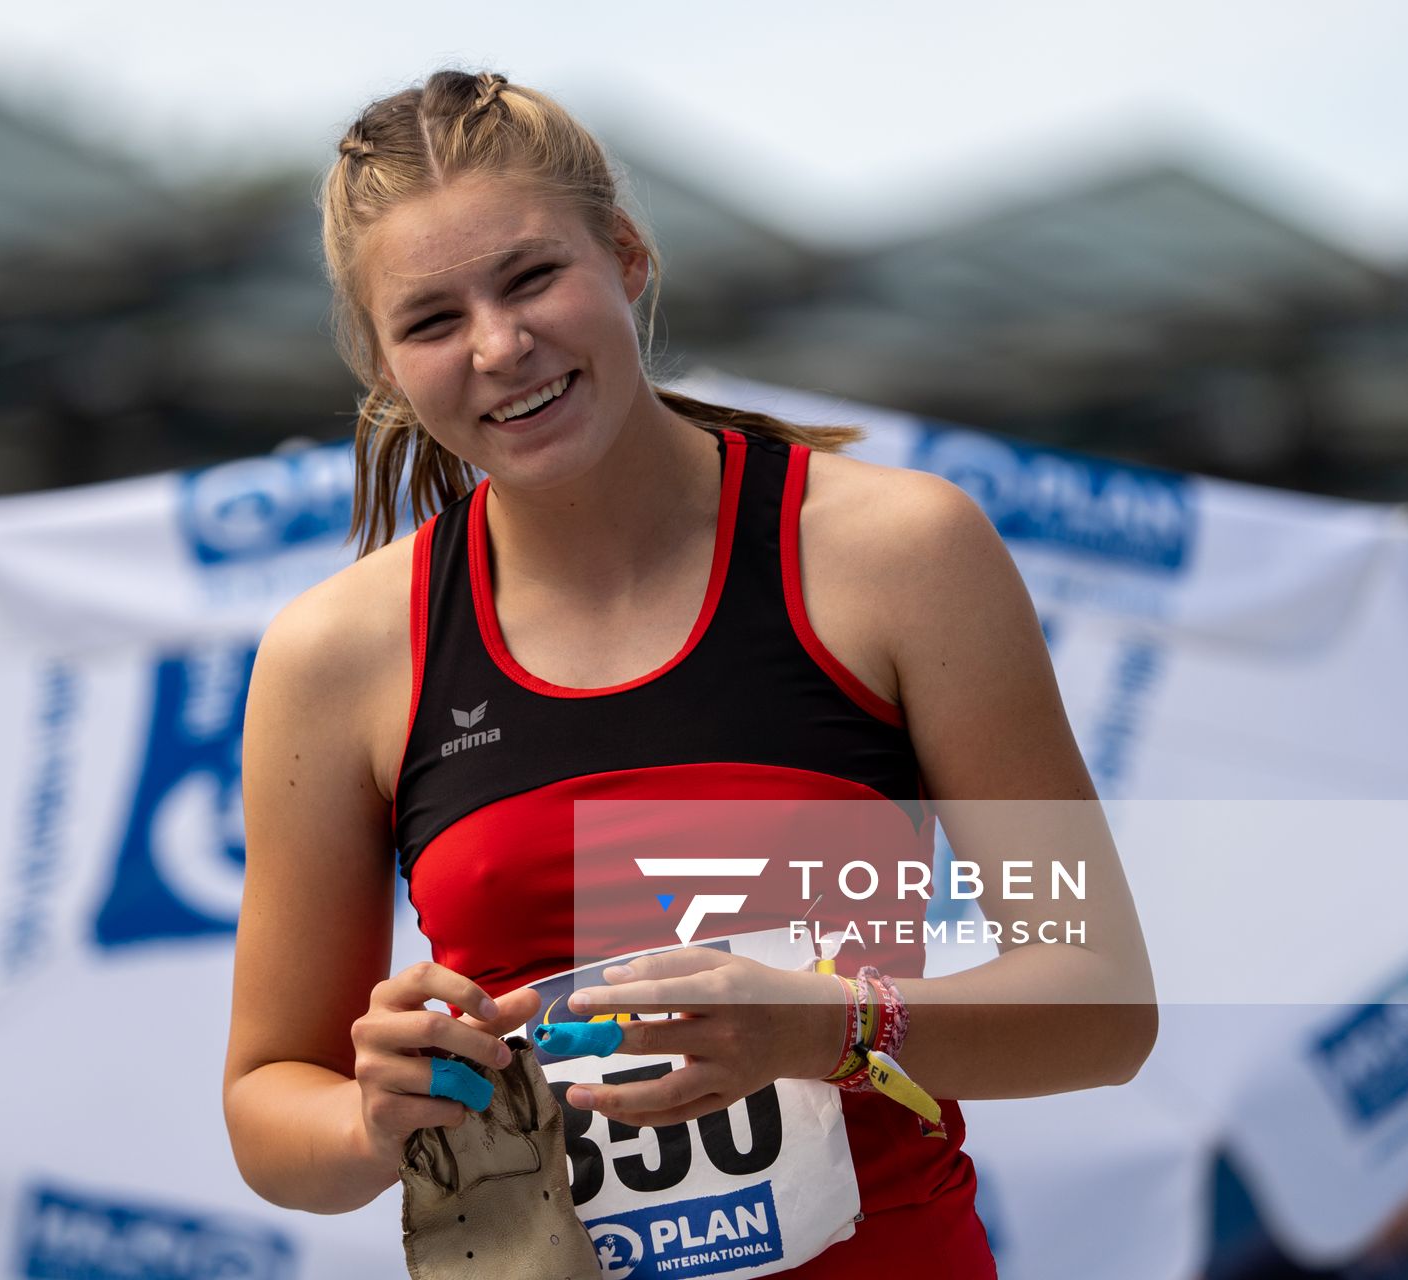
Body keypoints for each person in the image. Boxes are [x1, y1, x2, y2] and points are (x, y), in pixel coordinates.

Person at [223, 68, 1158, 1278]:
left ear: (626, 255)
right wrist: (372, 1112)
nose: (501, 347)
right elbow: (266, 1101)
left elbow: (1103, 999)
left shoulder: (899, 555)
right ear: (388, 368)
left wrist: (831, 1025)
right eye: (432, 320)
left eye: (531, 277)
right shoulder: (334, 654)